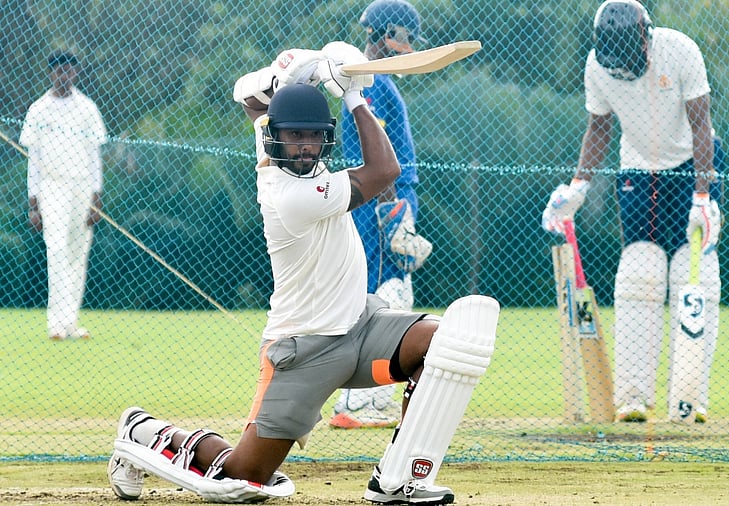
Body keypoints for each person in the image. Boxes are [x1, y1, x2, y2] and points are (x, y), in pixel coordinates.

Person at [107, 45, 498, 506]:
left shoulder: (281, 145)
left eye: (314, 136)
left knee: (445, 342)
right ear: (275, 135)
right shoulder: (292, 195)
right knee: (241, 478)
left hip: (361, 326)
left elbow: (246, 96)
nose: (305, 145)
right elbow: (386, 171)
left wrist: (287, 74)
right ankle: (143, 432)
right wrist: (353, 96)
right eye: (295, 136)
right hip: (304, 349)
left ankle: (398, 480)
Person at [541, 0, 724, 424]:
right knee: (639, 274)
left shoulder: (680, 50)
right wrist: (579, 187)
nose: (621, 67)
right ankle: (633, 397)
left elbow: (702, 127)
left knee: (694, 276)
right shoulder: (596, 66)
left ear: (645, 36)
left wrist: (703, 195)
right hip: (638, 171)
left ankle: (690, 397)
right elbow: (599, 127)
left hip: (692, 167)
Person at [330, 0, 433, 430]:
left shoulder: (375, 81)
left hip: (381, 201)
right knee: (385, 293)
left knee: (388, 291)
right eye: (405, 38)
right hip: (379, 204)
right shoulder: (372, 83)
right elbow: (379, 155)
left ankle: (364, 401)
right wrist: (393, 209)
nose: (410, 48)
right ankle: (360, 403)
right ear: (387, 34)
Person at [20, 49, 107, 341]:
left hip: (82, 186)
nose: (64, 75)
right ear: (50, 73)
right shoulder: (38, 109)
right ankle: (55, 323)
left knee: (77, 253)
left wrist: (97, 198)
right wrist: (33, 203)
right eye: (59, 70)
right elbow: (33, 158)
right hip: (51, 186)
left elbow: (94, 156)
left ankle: (71, 323)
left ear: (76, 73)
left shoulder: (87, 108)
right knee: (55, 249)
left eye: (69, 70)